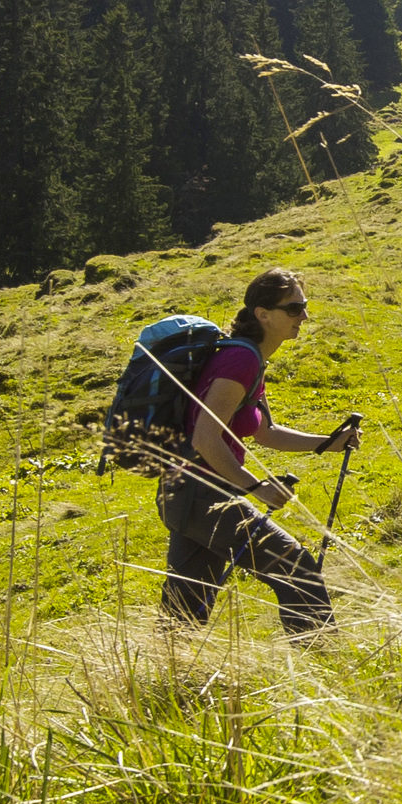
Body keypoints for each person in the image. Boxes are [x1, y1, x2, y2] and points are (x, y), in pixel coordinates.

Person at [163, 268, 360, 633]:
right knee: (296, 569)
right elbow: (205, 438)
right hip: (203, 494)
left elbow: (264, 432)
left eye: (304, 306)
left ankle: (161, 681)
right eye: (294, 308)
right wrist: (256, 487)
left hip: (186, 494)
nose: (304, 315)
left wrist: (327, 443)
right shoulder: (241, 361)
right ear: (263, 314)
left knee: (184, 611)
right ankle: (324, 665)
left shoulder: (251, 358)